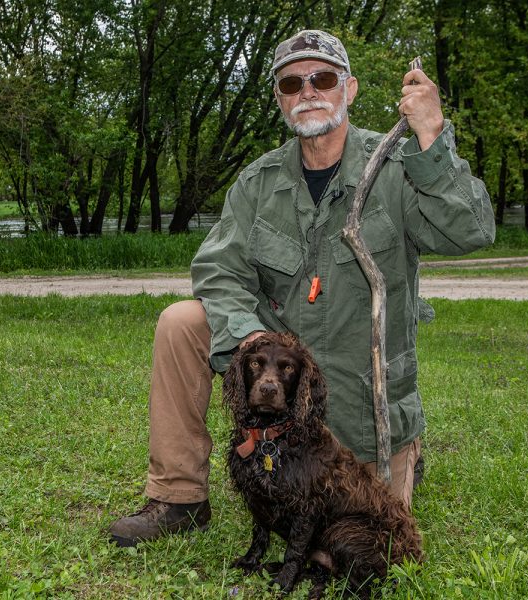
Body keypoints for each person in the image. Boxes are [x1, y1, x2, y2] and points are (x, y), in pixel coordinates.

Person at [108, 29, 495, 548]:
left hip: (366, 411)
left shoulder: (399, 169)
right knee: (181, 322)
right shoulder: (258, 183)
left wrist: (432, 138)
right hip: (288, 389)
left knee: (355, 532)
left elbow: (471, 231)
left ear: (349, 90)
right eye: (292, 83)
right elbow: (220, 271)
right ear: (279, 98)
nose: (307, 91)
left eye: (324, 78)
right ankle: (179, 499)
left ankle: (408, 456)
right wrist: (247, 338)